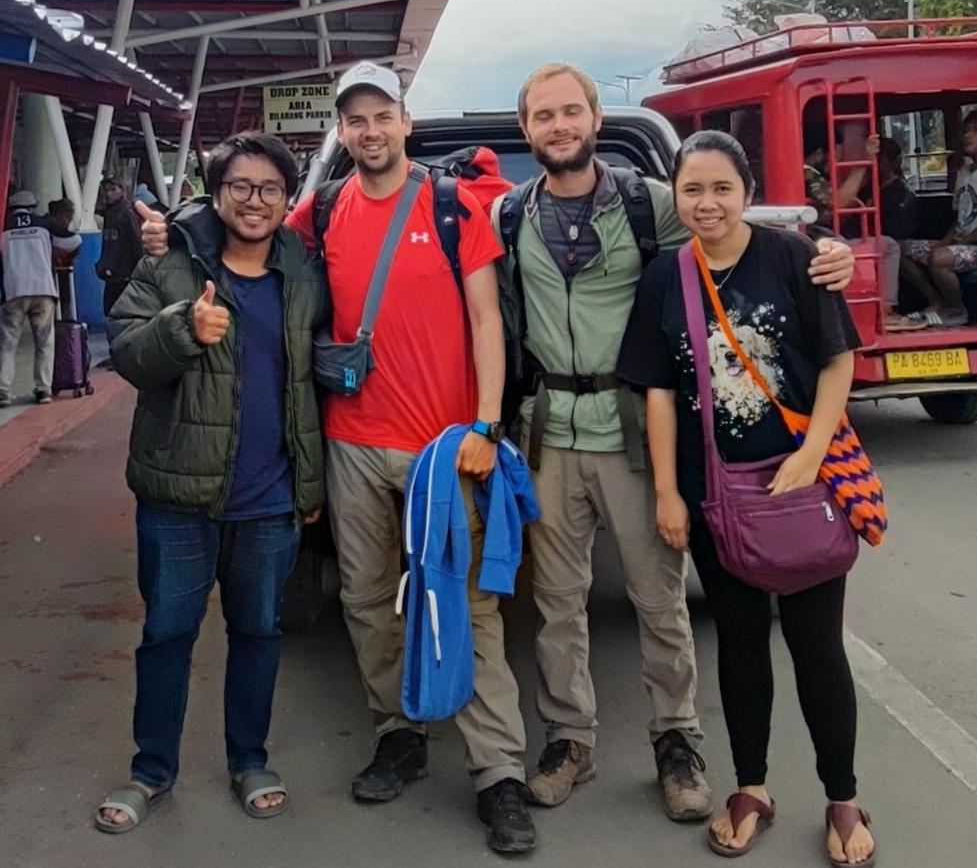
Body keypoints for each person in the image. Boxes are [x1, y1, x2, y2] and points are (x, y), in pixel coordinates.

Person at [507, 64, 856, 820]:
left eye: (571, 110)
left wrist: (831, 251)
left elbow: (737, 228)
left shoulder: (652, 202)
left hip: (634, 426)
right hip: (549, 432)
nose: (558, 125)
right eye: (543, 115)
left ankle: (676, 742)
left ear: (596, 117)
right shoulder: (508, 214)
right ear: (525, 128)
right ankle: (570, 741)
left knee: (658, 598)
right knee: (557, 603)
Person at [286, 61, 536, 854]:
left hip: (443, 448)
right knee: (364, 599)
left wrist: (486, 427)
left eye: (380, 116)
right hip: (352, 442)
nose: (368, 132)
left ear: (405, 121)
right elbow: (240, 236)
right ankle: (398, 734)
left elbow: (487, 322)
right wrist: (169, 232)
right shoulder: (320, 211)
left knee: (467, 606)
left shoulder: (455, 205)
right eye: (352, 120)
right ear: (340, 131)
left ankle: (497, 771)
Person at [617, 130, 876, 867]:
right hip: (714, 498)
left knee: (815, 645)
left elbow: (836, 361)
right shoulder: (667, 276)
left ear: (746, 192)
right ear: (676, 195)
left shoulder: (793, 257)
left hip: (799, 486)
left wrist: (811, 453)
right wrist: (668, 492)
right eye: (691, 190)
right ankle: (751, 788)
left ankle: (842, 797)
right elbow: (658, 393)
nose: (706, 204)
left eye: (720, 188)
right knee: (737, 643)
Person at [94, 133, 326, 833]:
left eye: (269, 189)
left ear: (288, 201)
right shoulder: (170, 266)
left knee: (257, 631)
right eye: (240, 187)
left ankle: (248, 758)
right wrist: (182, 328)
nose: (254, 201)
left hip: (271, 498)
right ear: (216, 192)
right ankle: (150, 771)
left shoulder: (305, 272)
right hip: (176, 496)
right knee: (167, 633)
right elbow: (128, 354)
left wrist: (312, 486)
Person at [804, 124, 922, 332]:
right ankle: (885, 312)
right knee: (887, 246)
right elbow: (839, 202)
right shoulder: (808, 173)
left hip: (813, 235)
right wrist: (863, 164)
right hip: (816, 239)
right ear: (821, 153)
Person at [0, 190, 81, 407]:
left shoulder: (3, 225)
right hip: (43, 289)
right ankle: (43, 390)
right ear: (33, 206)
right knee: (44, 342)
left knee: (7, 344)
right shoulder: (44, 224)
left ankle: (3, 391)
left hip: (14, 290)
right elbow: (74, 240)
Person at [901, 110, 977, 326]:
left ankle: (956, 310)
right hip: (962, 244)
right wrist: (943, 244)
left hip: (971, 245)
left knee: (939, 259)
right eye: (966, 131)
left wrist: (955, 246)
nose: (967, 136)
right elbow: (959, 220)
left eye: (974, 131)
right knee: (902, 249)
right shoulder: (964, 172)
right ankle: (937, 302)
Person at [96, 176, 143, 315]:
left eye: (113, 189)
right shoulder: (110, 213)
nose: (108, 193)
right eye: (106, 190)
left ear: (122, 190)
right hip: (114, 274)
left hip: (124, 274)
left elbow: (136, 241)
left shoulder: (126, 213)